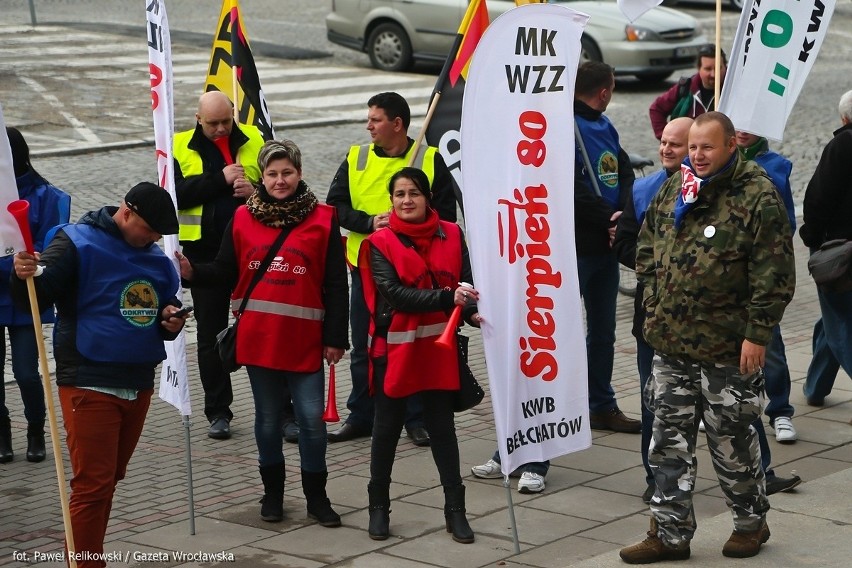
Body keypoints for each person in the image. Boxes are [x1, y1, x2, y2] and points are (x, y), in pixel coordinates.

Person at [621, 112, 795, 563]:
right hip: (671, 344)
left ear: (730, 145)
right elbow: (647, 245)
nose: (696, 156)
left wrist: (758, 334)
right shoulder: (676, 187)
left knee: (731, 442)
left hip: (728, 348)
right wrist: (656, 303)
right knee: (667, 442)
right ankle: (669, 534)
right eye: (692, 147)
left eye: (706, 148)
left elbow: (773, 273)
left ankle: (750, 523)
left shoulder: (758, 196)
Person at [12, 183, 188, 568]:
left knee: (108, 480)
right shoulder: (75, 241)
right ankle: (87, 563)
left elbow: (160, 311)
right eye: (150, 231)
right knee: (93, 484)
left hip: (137, 381)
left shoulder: (156, 260)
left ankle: (86, 555)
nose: (155, 240)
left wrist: (168, 321)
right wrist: (23, 272)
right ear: (126, 213)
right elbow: (36, 294)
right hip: (88, 380)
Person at [177, 140, 348, 526]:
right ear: (261, 177)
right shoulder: (241, 218)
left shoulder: (323, 218)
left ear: (299, 173)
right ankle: (272, 496)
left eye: (287, 172)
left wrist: (336, 337)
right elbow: (224, 270)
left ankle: (317, 499)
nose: (280, 180)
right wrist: (194, 273)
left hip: (305, 341)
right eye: (271, 174)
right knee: (268, 421)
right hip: (260, 341)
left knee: (311, 422)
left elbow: (336, 283)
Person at [325, 91, 458, 446]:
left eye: (375, 120)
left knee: (412, 343)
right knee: (364, 345)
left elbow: (446, 215)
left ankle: (415, 418)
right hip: (365, 267)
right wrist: (369, 223)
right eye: (369, 119)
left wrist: (418, 234)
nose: (368, 126)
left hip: (416, 273)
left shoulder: (429, 159)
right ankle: (361, 414)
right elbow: (333, 206)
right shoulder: (357, 157)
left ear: (397, 124)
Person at [359, 167, 479, 543]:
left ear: (427, 198)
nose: (407, 200)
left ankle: (455, 511)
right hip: (394, 350)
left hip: (437, 349)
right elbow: (395, 294)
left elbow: (467, 279)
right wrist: (449, 298)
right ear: (391, 200)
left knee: (443, 429)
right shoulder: (378, 243)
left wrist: (475, 311)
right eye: (399, 194)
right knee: (387, 429)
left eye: (414, 193)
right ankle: (378, 508)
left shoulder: (453, 233)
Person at [174, 90, 265, 440]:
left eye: (226, 121)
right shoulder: (179, 145)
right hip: (204, 254)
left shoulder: (254, 138)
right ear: (198, 119)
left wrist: (255, 190)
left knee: (265, 327)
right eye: (213, 123)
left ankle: (281, 409)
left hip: (253, 249)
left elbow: (280, 183)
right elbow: (172, 193)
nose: (221, 129)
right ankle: (218, 411)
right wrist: (220, 180)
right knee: (211, 335)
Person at [573, 61, 641, 434]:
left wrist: (623, 217)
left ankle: (601, 404)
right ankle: (565, 407)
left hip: (606, 248)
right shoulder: (564, 127)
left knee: (603, 333)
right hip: (577, 248)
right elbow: (568, 188)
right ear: (604, 92)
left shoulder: (605, 125)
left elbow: (626, 170)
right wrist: (610, 218)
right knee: (566, 333)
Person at [0, 127, 70, 464]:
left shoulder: (44, 195)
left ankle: (35, 428)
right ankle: (2, 433)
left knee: (27, 371)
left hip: (24, 291)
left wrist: (32, 259)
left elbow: (52, 241)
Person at [736, 130, 798, 443]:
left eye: (750, 126)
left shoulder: (776, 165)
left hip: (760, 271)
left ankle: (780, 410)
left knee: (769, 344)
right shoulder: (719, 165)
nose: (743, 132)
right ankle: (725, 406)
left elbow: (788, 220)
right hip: (727, 276)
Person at [799, 89, 852, 404]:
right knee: (832, 318)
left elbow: (818, 198)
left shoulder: (843, 144)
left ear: (844, 117)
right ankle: (816, 387)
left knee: (841, 323)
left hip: (839, 251)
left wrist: (810, 237)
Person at [649, 44, 727, 140]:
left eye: (718, 68)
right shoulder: (687, 87)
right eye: (708, 69)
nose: (713, 74)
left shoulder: (733, 90)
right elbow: (656, 108)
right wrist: (667, 139)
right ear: (698, 69)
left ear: (725, 66)